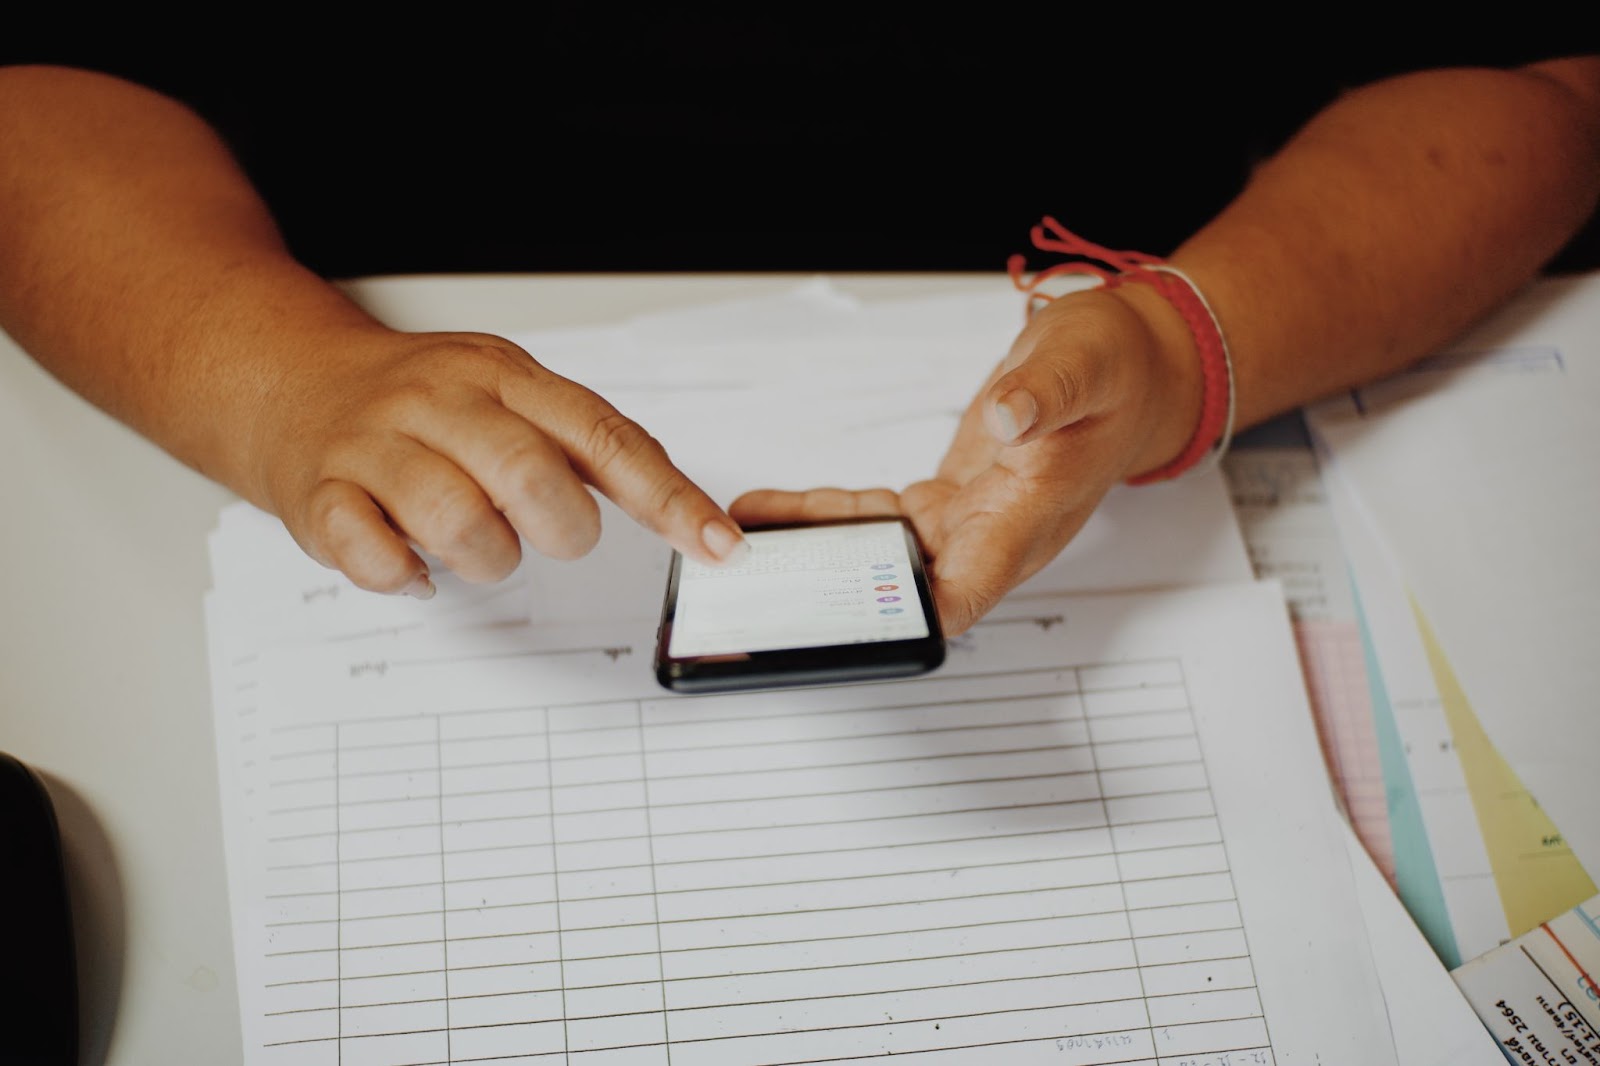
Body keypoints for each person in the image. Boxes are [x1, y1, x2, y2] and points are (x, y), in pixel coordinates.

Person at [2, 37, 1597, 635]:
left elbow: (1552, 91)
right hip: (331, 312)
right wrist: (284, 379)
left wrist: (1189, 344)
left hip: (1182, 348)